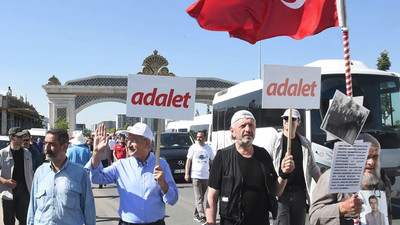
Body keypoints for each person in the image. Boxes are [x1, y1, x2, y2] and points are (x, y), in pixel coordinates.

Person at [206, 110, 295, 225]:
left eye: (251, 125)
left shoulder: (263, 155)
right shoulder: (222, 156)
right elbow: (212, 196)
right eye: (243, 126)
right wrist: (211, 222)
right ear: (232, 131)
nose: (248, 129)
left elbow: (277, 191)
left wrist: (284, 174)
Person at [89, 123, 178, 225]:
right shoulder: (121, 165)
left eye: (133, 140)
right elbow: (96, 178)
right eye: (128, 140)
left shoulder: (161, 165)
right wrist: (96, 152)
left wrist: (163, 184)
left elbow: (173, 199)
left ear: (147, 143)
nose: (128, 144)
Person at [309, 133, 392, 225]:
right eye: (366, 157)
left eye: (375, 157)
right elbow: (314, 216)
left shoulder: (383, 180)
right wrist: (342, 208)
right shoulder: (333, 177)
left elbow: (387, 216)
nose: (371, 162)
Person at [27, 128, 96, 225]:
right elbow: (33, 207)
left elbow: (89, 208)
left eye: (52, 144)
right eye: (45, 143)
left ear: (64, 147)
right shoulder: (40, 172)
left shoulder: (80, 174)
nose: (46, 148)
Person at [266, 108, 321, 225]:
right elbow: (266, 163)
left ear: (298, 122)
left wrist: (324, 188)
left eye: (291, 119)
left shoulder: (305, 143)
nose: (287, 121)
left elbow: (313, 168)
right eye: (285, 118)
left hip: (299, 194)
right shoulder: (274, 141)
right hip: (281, 194)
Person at [0, 127, 34, 225]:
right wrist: (5, 182)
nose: (22, 139)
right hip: (8, 191)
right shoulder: (2, 154)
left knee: (24, 219)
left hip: (24, 190)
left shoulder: (27, 153)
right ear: (11, 138)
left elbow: (30, 172)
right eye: (19, 137)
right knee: (9, 220)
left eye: (22, 136)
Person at [185, 130, 215, 224]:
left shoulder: (208, 149)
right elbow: (188, 161)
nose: (198, 138)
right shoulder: (193, 148)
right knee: (198, 197)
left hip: (206, 176)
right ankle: (202, 216)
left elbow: (213, 161)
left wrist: (215, 173)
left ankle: (196, 214)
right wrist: (187, 173)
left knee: (201, 198)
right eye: (197, 136)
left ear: (205, 137)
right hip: (195, 176)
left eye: (200, 136)